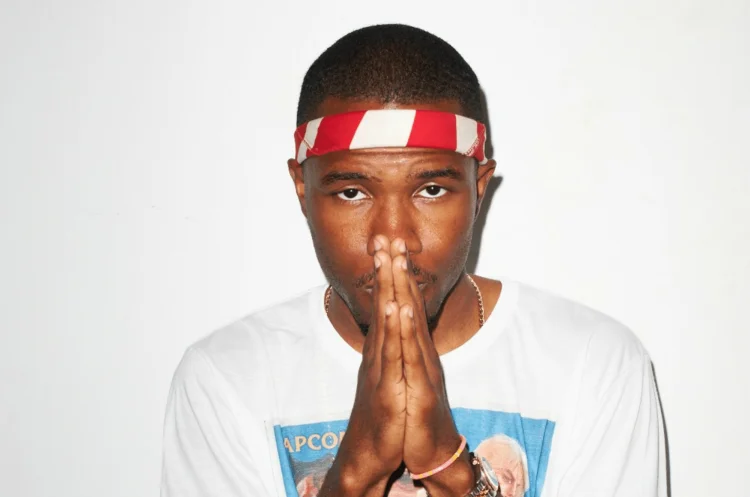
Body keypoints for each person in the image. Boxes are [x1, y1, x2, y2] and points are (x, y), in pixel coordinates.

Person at [160, 23, 667, 497]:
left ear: (478, 188)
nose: (394, 240)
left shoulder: (591, 365)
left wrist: (452, 469)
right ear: (302, 189)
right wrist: (355, 472)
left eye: (431, 189)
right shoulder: (227, 379)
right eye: (352, 192)